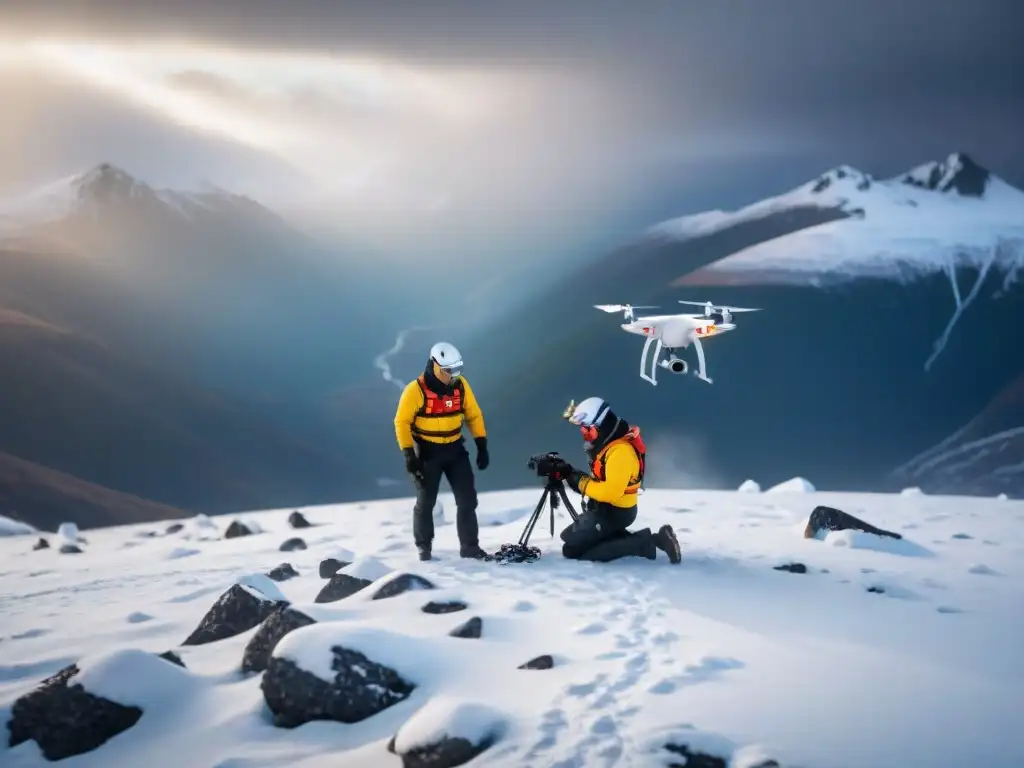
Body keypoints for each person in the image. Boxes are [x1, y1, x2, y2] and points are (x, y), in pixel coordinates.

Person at [394, 341, 492, 562]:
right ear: (435, 365)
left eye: (457, 370)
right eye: (449, 371)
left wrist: (481, 444)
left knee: (467, 499)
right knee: (426, 500)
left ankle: (470, 547)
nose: (453, 376)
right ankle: (424, 548)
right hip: (429, 452)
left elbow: (473, 415)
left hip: (455, 449)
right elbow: (402, 422)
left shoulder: (461, 386)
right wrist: (409, 455)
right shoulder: (415, 391)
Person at [558, 396, 681, 564]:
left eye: (588, 430)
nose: (585, 435)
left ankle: (647, 543)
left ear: (602, 427)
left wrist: (579, 481)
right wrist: (570, 474)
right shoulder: (608, 444)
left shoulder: (620, 451)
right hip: (606, 508)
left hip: (616, 512)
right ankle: (658, 538)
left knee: (575, 550)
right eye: (583, 430)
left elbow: (610, 492)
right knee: (573, 542)